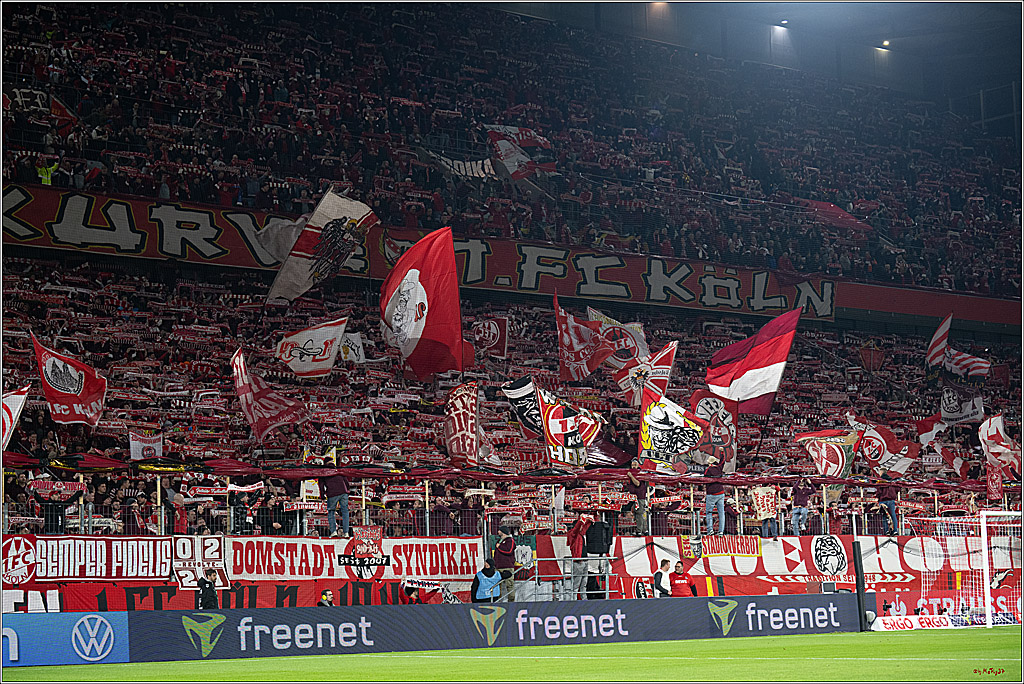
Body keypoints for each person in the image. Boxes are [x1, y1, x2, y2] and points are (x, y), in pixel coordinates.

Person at [565, 513, 594, 600]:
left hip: (585, 561)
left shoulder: (581, 534)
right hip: (578, 562)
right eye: (581, 525)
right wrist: (580, 521)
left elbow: (585, 527)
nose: (582, 527)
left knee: (584, 583)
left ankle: (584, 600)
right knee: (576, 584)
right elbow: (577, 528)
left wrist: (589, 520)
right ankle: (573, 601)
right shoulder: (573, 535)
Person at [320, 472, 350, 538]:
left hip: (332, 493)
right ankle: (346, 532)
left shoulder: (323, 471)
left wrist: (322, 496)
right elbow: (346, 481)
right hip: (343, 492)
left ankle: (333, 532)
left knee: (331, 512)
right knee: (345, 511)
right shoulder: (337, 470)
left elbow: (321, 485)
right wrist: (347, 490)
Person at [703, 455, 726, 536]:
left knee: (709, 512)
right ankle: (721, 531)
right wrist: (722, 452)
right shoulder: (719, 468)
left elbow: (704, 479)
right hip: (720, 493)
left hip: (711, 493)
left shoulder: (708, 470)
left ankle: (710, 530)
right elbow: (723, 460)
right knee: (721, 513)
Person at [493, 525, 517, 602]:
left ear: (503, 532)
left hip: (507, 567)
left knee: (509, 585)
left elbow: (509, 551)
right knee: (497, 586)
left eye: (499, 530)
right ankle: (498, 602)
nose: (498, 532)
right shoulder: (498, 541)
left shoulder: (510, 540)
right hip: (498, 567)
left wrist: (500, 547)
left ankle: (511, 602)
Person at [625, 469, 650, 535]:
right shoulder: (639, 474)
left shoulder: (639, 475)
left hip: (639, 498)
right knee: (639, 514)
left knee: (639, 513)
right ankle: (644, 530)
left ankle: (639, 531)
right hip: (636, 498)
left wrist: (631, 476)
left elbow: (637, 483)